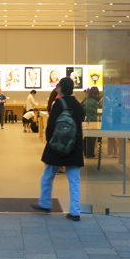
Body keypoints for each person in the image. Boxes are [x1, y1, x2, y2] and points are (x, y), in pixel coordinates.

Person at [31, 77, 84, 221]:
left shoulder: (58, 104)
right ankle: (75, 212)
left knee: (48, 175)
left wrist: (49, 142)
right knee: (74, 180)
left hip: (57, 147)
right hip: (74, 147)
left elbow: (51, 125)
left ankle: (45, 203)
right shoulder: (78, 105)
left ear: (60, 88)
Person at [83, 86, 101, 157]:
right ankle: (90, 154)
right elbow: (100, 110)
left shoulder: (86, 100)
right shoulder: (97, 102)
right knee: (92, 138)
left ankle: (86, 153)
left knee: (86, 137)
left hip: (86, 120)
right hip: (94, 121)